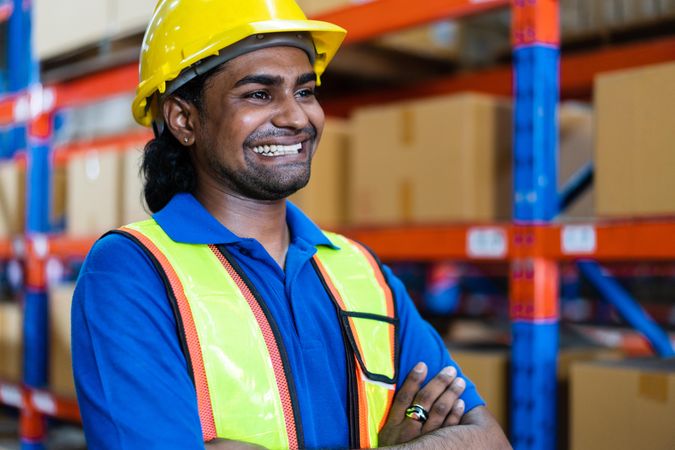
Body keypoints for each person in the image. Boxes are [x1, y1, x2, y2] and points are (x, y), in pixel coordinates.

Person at [71, 0, 511, 449]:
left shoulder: (358, 270)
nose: (297, 118)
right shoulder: (132, 271)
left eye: (305, 92)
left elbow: (488, 440)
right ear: (184, 119)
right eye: (259, 94)